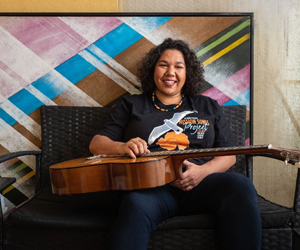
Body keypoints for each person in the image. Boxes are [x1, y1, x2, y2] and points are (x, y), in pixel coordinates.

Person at [89, 38, 262, 250]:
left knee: (241, 186)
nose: (170, 72)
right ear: (153, 70)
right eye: (163, 65)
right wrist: (122, 147)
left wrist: (202, 172)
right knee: (134, 202)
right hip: (152, 188)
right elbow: (97, 144)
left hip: (203, 184)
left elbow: (229, 155)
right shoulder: (132, 104)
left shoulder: (208, 106)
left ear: (187, 73)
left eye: (178, 66)